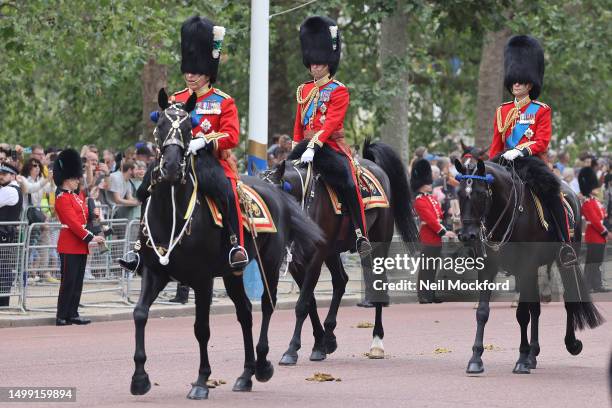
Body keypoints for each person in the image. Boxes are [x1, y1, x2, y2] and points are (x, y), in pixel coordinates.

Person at [119, 15, 248, 271]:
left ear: (208, 73)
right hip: (177, 159)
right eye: (188, 70)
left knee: (227, 192)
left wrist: (205, 142)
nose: (190, 75)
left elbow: (232, 136)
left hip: (209, 160)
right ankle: (138, 250)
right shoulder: (176, 98)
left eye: (196, 71)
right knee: (147, 188)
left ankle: (235, 245)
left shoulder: (224, 101)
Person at [488, 35, 576, 265]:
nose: (516, 84)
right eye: (513, 81)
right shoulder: (502, 111)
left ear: (530, 83)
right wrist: (491, 165)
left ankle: (565, 245)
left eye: (521, 81)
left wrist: (520, 151)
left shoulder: (541, 110)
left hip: (532, 163)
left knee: (554, 193)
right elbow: (496, 145)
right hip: (504, 163)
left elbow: (542, 141)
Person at [292, 16, 371, 256]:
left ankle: (360, 234)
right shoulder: (304, 89)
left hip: (330, 147)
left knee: (347, 182)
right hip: (304, 146)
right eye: (312, 63)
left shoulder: (338, 90)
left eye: (320, 63)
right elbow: (299, 123)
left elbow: (332, 122)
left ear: (329, 63)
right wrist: (297, 146)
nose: (315, 67)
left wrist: (314, 146)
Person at [53, 149, 105, 325]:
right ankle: (61, 315)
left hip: (80, 244)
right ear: (67, 179)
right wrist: (91, 237)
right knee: (68, 281)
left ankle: (73, 313)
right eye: (76, 178)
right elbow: (73, 223)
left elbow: (84, 215)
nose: (78, 180)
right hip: (69, 244)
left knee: (77, 281)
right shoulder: (62, 198)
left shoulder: (76, 196)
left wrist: (94, 214)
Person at [411, 159, 456, 303]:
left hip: (435, 239)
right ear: (421, 185)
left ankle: (430, 294)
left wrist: (450, 212)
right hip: (427, 238)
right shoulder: (419, 201)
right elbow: (430, 221)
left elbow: (439, 215)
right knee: (426, 269)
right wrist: (444, 232)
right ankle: (423, 295)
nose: (430, 184)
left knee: (432, 269)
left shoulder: (431, 199)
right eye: (428, 183)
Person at [578, 166, 609, 292]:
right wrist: (605, 232)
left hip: (599, 236)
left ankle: (596, 284)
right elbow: (595, 221)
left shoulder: (594, 201)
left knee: (597, 262)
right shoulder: (587, 203)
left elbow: (602, 215)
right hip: (594, 235)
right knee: (592, 262)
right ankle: (587, 285)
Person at [0, 163, 23, 307]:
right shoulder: (8, 189)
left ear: (13, 175)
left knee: (3, 271)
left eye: (4, 173)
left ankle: (3, 303)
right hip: (5, 236)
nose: (1, 176)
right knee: (4, 270)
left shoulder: (10, 190)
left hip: (3, 236)